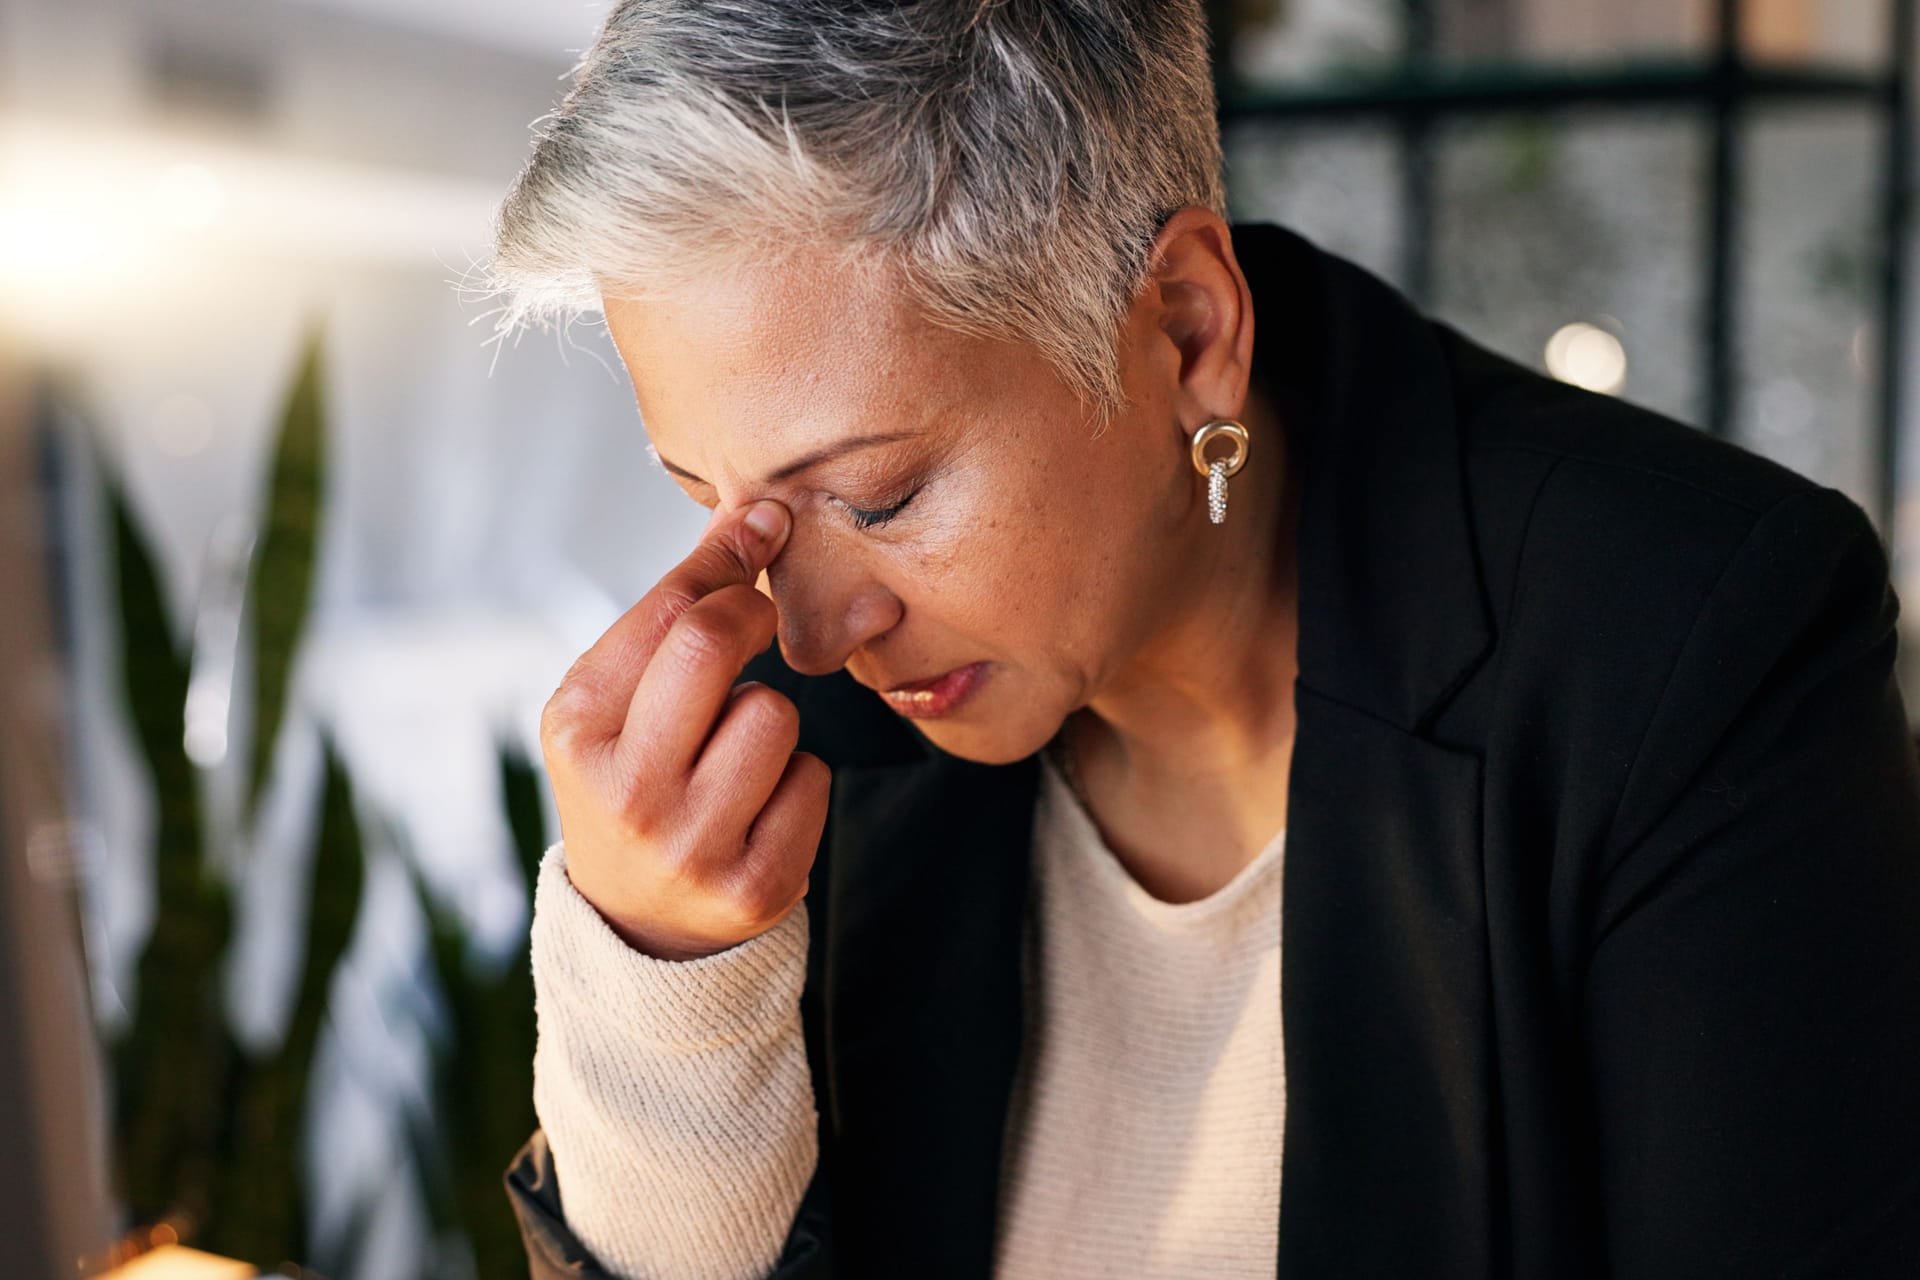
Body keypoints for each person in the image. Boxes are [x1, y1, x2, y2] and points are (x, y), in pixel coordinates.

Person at [482, 2, 1920, 1277]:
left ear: (1184, 328)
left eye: (878, 494)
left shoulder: (1691, 646)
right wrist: (662, 980)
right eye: (713, 498)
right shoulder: (789, 748)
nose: (804, 630)